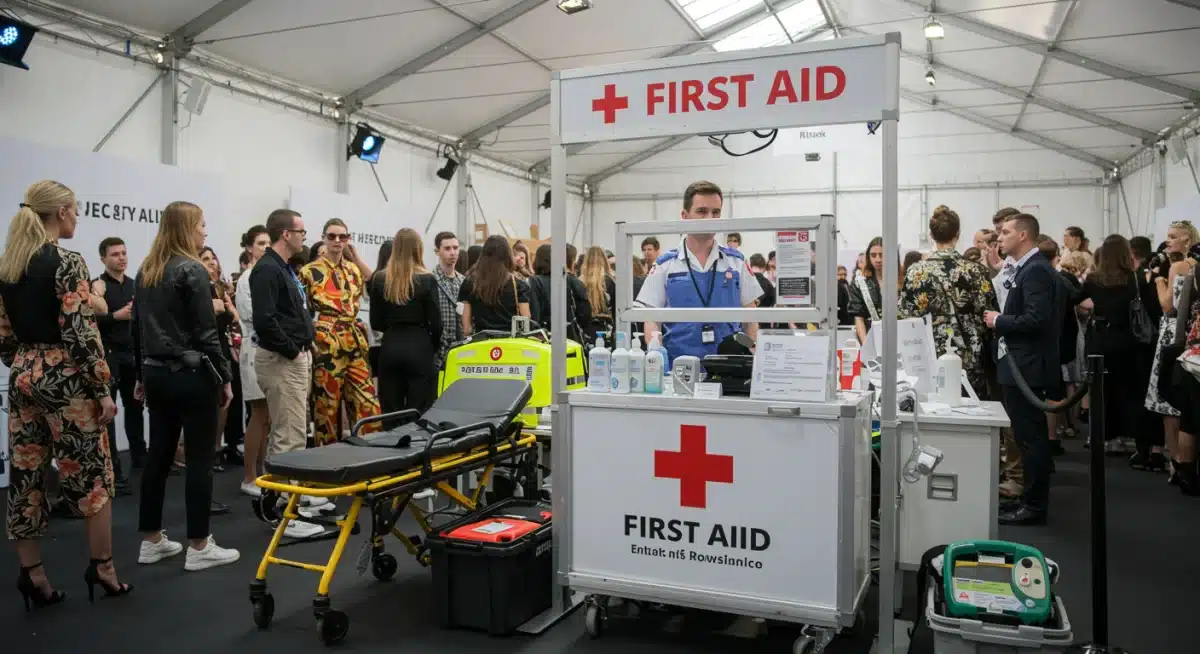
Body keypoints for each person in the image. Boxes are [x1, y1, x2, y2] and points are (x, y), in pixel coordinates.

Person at [1, 181, 130, 608]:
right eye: (75, 210)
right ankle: (103, 568)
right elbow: (80, 332)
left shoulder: (10, 262)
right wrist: (101, 387)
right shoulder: (67, 262)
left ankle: (32, 575)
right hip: (67, 377)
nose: (77, 217)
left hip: (23, 373)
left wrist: (25, 363)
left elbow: (3, 335)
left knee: (26, 476)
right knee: (94, 474)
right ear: (60, 212)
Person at [133, 201, 239, 571]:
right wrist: (224, 377)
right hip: (192, 375)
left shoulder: (147, 270)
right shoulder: (192, 270)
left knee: (158, 456)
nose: (205, 232)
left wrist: (139, 376)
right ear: (186, 228)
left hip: (156, 374)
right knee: (199, 460)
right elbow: (207, 333)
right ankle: (199, 545)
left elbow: (138, 329)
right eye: (202, 225)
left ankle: (150, 540)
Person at [250, 209, 325, 538]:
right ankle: (285, 512)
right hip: (282, 361)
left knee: (290, 432)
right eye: (301, 232)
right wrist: (294, 350)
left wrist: (305, 344)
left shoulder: (280, 268)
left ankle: (283, 497)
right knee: (289, 436)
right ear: (285, 234)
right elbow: (265, 321)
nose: (304, 238)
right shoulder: (267, 270)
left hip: (292, 358)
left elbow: (290, 313)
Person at [984, 213, 1063, 526]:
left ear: (1023, 236)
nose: (999, 238)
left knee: (1031, 438)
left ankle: (1034, 505)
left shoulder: (1035, 271)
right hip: (1020, 364)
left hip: (1027, 366)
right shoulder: (1027, 268)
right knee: (1026, 435)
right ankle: (1029, 499)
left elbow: (1036, 319)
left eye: (1005, 233)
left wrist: (998, 321)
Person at [635, 181, 763, 364]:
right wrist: (656, 354)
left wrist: (752, 354)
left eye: (716, 212)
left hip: (730, 366)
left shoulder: (737, 263)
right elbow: (652, 320)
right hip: (678, 368)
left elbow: (750, 318)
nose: (710, 218)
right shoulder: (665, 265)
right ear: (684, 216)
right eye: (702, 211)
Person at [900, 205, 998, 396]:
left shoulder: (916, 271)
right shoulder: (976, 271)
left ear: (931, 235)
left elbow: (905, 315)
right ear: (958, 234)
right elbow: (988, 314)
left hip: (929, 358)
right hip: (970, 357)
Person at [298, 218, 380, 447]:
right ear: (323, 237)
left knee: (368, 405)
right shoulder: (308, 272)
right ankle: (327, 468)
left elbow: (371, 288)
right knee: (326, 408)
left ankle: (368, 458)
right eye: (332, 236)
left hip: (354, 342)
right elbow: (301, 310)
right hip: (326, 343)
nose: (337, 241)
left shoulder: (354, 270)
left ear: (348, 240)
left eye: (342, 237)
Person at [1075, 235, 1150, 459]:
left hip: (1100, 338)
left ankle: (1100, 436)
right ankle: (1126, 437)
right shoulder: (1134, 279)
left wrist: (1092, 307)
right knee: (1127, 389)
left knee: (1100, 390)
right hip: (1128, 340)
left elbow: (1076, 298)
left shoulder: (1094, 278)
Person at [369, 228, 441, 418]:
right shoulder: (427, 280)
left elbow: (375, 322)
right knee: (419, 411)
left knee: (390, 412)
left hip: (390, 347)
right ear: (418, 249)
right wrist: (431, 347)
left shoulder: (379, 279)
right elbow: (436, 324)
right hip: (420, 347)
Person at [94, 237, 142, 489]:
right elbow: (89, 322)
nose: (121, 258)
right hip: (109, 355)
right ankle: (114, 471)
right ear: (103, 258)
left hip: (132, 355)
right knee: (109, 414)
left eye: (124, 253)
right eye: (115, 254)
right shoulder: (97, 286)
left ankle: (140, 462)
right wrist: (116, 316)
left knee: (136, 409)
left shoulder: (136, 285)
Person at [235, 224, 271, 497]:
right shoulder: (247, 278)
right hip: (254, 349)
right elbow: (253, 318)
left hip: (269, 350)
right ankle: (249, 476)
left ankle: (261, 472)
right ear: (249, 248)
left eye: (269, 243)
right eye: (261, 243)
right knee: (259, 414)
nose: (266, 248)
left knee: (267, 416)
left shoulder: (267, 275)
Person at [459, 235, 531, 335]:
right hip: (510, 343)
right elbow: (525, 321)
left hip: (482, 342)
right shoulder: (518, 285)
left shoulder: (470, 283)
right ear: (508, 255)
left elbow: (467, 329)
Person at [527, 243, 591, 340]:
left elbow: (534, 315)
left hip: (545, 337)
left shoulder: (534, 282)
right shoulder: (573, 281)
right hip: (570, 337)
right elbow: (585, 313)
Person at [431, 231, 464, 369]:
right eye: (447, 248)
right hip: (436, 351)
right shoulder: (430, 279)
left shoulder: (463, 281)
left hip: (459, 349)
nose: (453, 253)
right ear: (437, 251)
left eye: (456, 248)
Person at [848, 237, 885, 344]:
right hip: (870, 337)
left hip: (897, 338)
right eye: (873, 255)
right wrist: (865, 345)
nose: (878, 259)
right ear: (868, 257)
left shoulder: (899, 280)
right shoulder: (860, 281)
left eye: (881, 255)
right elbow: (858, 317)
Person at [580, 246, 615, 341]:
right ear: (604, 260)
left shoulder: (579, 282)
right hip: (606, 329)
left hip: (584, 331)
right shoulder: (609, 281)